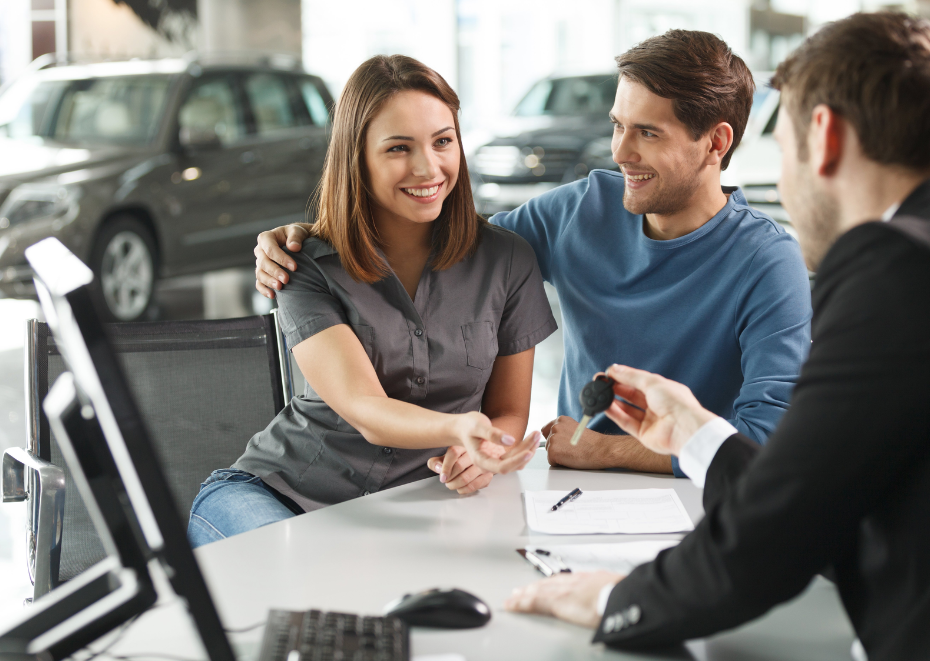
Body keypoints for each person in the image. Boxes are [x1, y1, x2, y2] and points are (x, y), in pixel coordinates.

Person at [504, 12, 930, 660]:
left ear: (825, 136)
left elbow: (781, 528)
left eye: (782, 152)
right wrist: (695, 433)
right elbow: (823, 482)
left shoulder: (893, 268)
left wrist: (609, 601)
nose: (782, 181)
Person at [252, 31, 813, 481]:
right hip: (573, 492)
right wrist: (312, 235)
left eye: (647, 132)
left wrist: (606, 452)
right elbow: (445, 239)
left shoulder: (768, 261)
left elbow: (766, 440)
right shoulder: (578, 212)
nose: (620, 151)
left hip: (699, 499)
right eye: (618, 125)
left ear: (716, 142)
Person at [187, 55, 555, 547]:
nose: (429, 167)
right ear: (356, 157)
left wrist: (483, 453)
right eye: (399, 148)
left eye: (443, 141)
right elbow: (364, 408)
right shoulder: (304, 264)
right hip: (277, 496)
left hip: (414, 507)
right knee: (305, 585)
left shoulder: (507, 260)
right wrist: (463, 427)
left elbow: (509, 411)